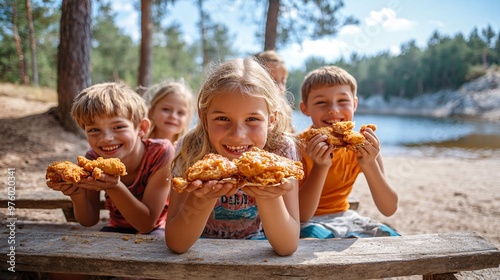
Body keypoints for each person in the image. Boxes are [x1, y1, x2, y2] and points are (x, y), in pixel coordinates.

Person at [165, 57, 301, 256]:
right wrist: (202, 199)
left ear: (271, 120)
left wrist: (269, 194)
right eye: (222, 119)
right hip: (200, 249)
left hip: (257, 249)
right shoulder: (190, 148)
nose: (237, 135)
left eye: (252, 119)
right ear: (204, 117)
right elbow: (176, 244)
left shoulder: (280, 152)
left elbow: (287, 246)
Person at [298, 65, 399, 239]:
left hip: (345, 216)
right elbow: (300, 214)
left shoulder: (362, 146)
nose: (334, 110)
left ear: (355, 104)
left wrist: (369, 164)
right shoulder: (297, 146)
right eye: (321, 102)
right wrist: (320, 167)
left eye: (343, 101)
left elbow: (388, 208)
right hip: (307, 222)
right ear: (305, 108)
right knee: (321, 242)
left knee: (393, 238)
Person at [255, 50, 295, 133]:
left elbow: (292, 134)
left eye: (283, 81)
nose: (280, 87)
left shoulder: (286, 110)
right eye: (274, 81)